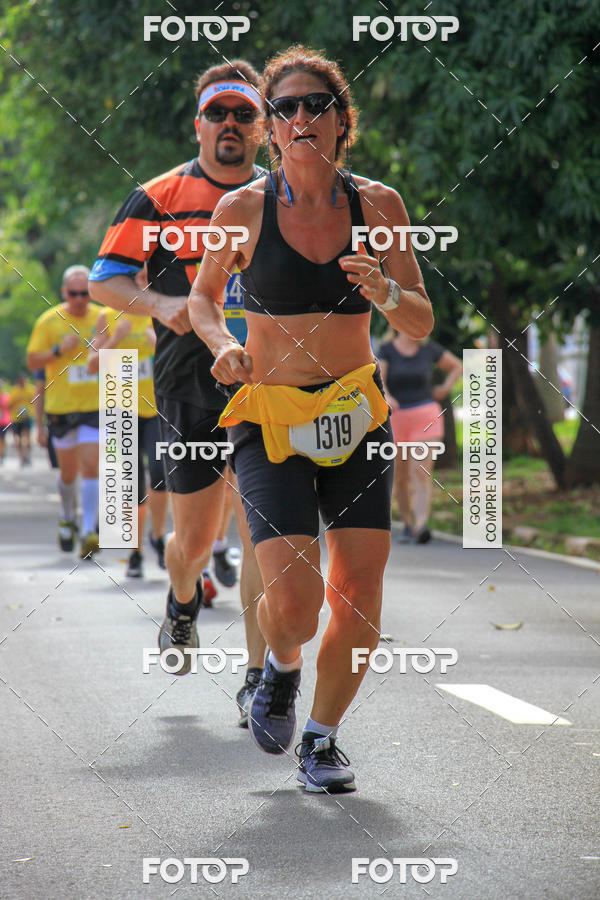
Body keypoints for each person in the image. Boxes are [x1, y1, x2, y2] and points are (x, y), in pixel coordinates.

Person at [188, 46, 434, 791]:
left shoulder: (379, 207)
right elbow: (202, 299)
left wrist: (385, 291)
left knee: (359, 593)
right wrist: (222, 344)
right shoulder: (242, 210)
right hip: (270, 419)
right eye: (285, 107)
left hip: (356, 415)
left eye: (317, 105)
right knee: (293, 607)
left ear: (340, 124)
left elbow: (420, 320)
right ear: (271, 129)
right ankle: (281, 667)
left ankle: (322, 740)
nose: (301, 117)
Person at [88, 62, 266, 716]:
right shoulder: (158, 196)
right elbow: (106, 278)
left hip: (272, 378)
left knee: (264, 534)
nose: (229, 124)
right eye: (217, 113)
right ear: (198, 124)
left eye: (243, 114)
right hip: (190, 380)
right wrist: (163, 305)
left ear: (262, 128)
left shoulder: (284, 197)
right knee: (192, 543)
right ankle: (182, 600)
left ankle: (260, 680)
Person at [88, 266, 169, 578]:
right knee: (131, 483)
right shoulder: (107, 315)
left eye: (147, 278)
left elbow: (178, 360)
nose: (143, 283)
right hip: (121, 408)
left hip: (156, 408)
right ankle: (135, 552)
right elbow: (92, 364)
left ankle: (157, 536)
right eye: (138, 278)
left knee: (161, 475)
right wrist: (115, 340)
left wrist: (158, 344)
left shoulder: (159, 313)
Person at [26, 265, 102, 557]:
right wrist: (58, 350)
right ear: (64, 292)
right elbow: (33, 363)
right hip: (61, 408)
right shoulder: (49, 321)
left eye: (85, 293)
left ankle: (89, 530)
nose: (80, 299)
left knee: (91, 466)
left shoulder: (102, 318)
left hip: (94, 407)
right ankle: (68, 515)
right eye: (74, 294)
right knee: (68, 474)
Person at [378, 330, 462, 543]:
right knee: (400, 477)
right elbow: (379, 380)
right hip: (396, 418)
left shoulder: (428, 349)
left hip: (426, 416)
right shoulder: (387, 350)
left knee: (421, 472)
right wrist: (387, 396)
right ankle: (407, 523)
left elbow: (457, 366)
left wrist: (445, 388)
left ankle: (421, 525)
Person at [8, 374, 36, 466]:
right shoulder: (14, 391)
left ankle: (27, 455)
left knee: (28, 436)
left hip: (28, 416)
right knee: (18, 438)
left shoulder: (31, 389)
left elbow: (35, 401)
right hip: (16, 417)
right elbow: (10, 404)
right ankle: (21, 456)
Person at [0, 381, 10, 464]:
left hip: (3, 422)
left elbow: (9, 406)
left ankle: (2, 455)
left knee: (2, 439)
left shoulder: (5, 397)